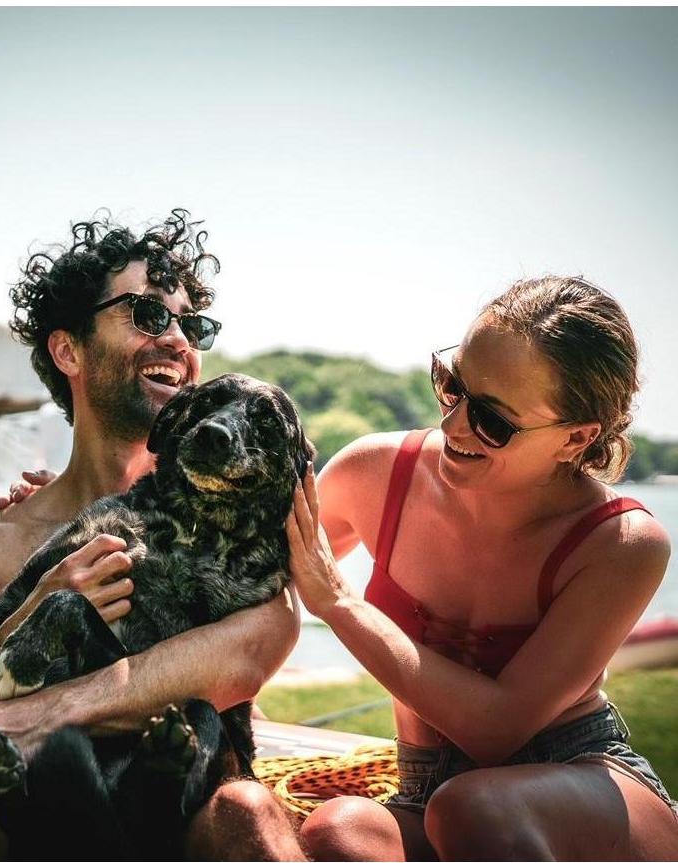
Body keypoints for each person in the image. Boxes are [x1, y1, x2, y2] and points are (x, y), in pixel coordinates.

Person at [0, 210, 304, 861]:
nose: (179, 340)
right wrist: (29, 610)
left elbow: (253, 649)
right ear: (68, 348)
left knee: (246, 807)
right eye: (149, 315)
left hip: (180, 813)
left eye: (192, 325)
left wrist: (35, 710)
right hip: (30, 821)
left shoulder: (234, 526)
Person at [286, 275, 678, 861]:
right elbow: (246, 578)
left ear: (576, 438)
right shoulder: (374, 473)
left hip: (581, 780)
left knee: (474, 808)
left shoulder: (621, 543)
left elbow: (496, 732)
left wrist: (340, 604)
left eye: (493, 421)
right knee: (338, 832)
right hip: (426, 791)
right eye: (452, 386)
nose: (452, 426)